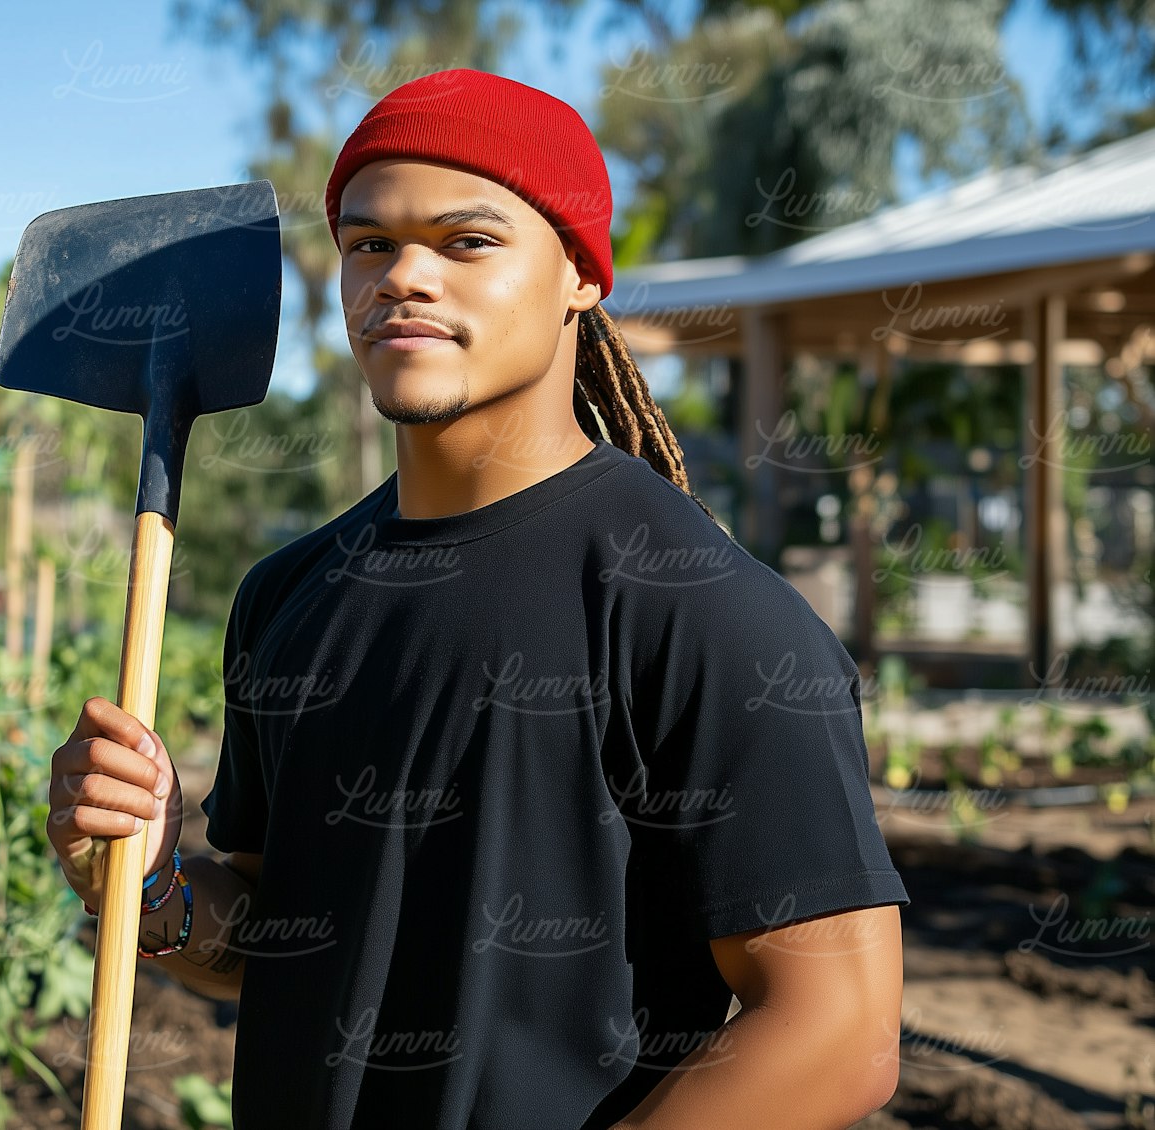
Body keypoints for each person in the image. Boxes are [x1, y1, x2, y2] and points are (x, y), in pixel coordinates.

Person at [47, 68, 910, 1130]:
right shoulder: (289, 598)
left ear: (579, 278)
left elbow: (840, 1027)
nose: (403, 276)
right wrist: (147, 890)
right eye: (369, 243)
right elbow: (277, 944)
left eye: (467, 242)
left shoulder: (699, 613)